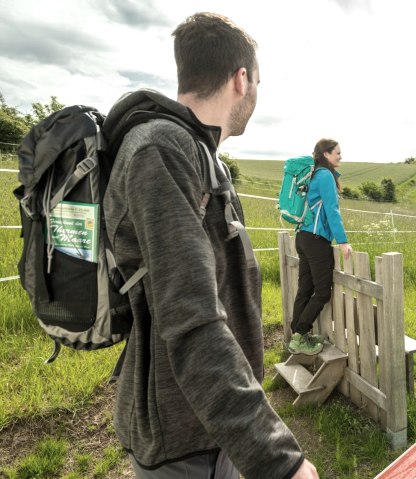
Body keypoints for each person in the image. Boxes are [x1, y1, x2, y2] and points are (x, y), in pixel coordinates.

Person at [103, 12, 319, 479]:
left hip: (214, 426)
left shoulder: (199, 155)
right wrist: (279, 462)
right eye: (258, 80)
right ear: (241, 79)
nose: (256, 91)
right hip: (183, 439)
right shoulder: (161, 150)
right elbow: (191, 316)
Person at [288, 138, 352, 356]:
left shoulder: (314, 174)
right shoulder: (325, 176)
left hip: (303, 237)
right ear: (326, 154)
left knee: (305, 288)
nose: (340, 156)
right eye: (337, 153)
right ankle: (300, 335)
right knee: (322, 291)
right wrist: (342, 241)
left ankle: (297, 335)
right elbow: (332, 210)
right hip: (316, 239)